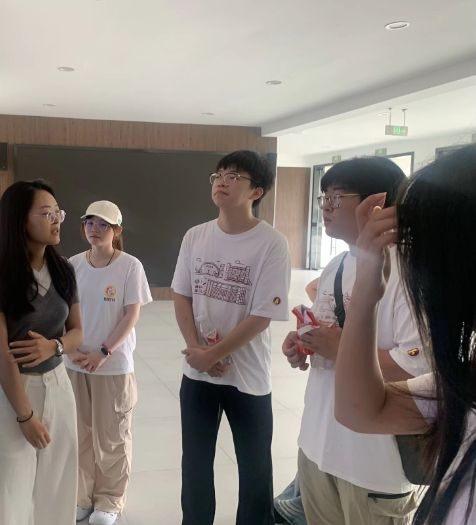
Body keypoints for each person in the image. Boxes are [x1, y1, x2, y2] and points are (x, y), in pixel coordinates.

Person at [281, 157, 431, 525]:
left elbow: (419, 370)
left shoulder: (408, 272)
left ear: (377, 204)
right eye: (324, 198)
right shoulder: (336, 266)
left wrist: (338, 347)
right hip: (317, 446)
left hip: (374, 466)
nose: (325, 208)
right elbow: (328, 337)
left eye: (337, 198)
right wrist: (303, 345)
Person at [335, 144, 476, 525]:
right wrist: (366, 292)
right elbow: (359, 410)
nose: (414, 264)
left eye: (423, 245)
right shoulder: (466, 380)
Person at [171, 149, 291, 525]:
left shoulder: (271, 243)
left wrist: (213, 354)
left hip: (248, 377)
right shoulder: (196, 236)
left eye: (234, 176)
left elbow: (262, 315)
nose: (221, 181)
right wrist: (198, 350)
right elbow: (181, 294)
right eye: (218, 174)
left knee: (255, 469)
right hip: (198, 374)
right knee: (195, 465)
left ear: (256, 191)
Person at [0, 180, 86, 525]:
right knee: (7, 494)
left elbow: (78, 334)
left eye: (58, 213)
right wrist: (25, 416)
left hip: (57, 385)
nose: (57, 220)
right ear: (20, 219)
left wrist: (54, 346)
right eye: (47, 213)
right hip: (10, 393)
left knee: (58, 488)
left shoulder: (64, 270)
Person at [66, 200, 152, 525]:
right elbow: (64, 310)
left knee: (112, 435)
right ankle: (82, 496)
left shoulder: (130, 266)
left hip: (112, 365)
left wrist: (103, 352)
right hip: (76, 363)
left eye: (104, 224)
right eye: (90, 223)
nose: (95, 229)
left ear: (117, 231)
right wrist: (71, 350)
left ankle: (110, 500)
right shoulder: (73, 264)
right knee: (80, 434)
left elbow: (131, 314)